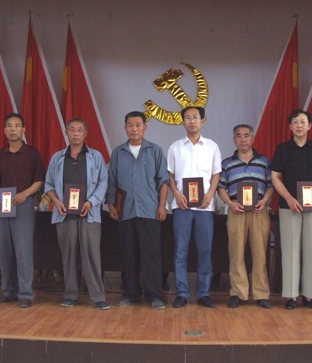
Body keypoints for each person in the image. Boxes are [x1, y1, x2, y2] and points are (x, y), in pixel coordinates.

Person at [45, 118, 110, 310]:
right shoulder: (57, 158)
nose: (75, 133)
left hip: (89, 213)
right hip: (64, 213)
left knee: (92, 255)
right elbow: (48, 184)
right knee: (69, 255)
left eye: (79, 130)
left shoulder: (95, 156)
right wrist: (56, 201)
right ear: (66, 132)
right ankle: (71, 294)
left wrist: (91, 202)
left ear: (85, 133)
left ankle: (97, 297)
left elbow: (103, 182)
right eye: (72, 130)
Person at [107, 111, 169, 310]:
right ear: (125, 128)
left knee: (151, 255)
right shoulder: (118, 153)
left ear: (145, 128)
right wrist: (111, 204)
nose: (134, 129)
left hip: (149, 210)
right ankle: (131, 294)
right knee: (129, 254)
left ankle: (154, 296)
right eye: (130, 125)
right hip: (125, 210)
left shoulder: (155, 151)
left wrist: (162, 205)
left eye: (138, 125)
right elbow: (112, 181)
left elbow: (163, 181)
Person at [271, 109, 312, 310]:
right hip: (289, 206)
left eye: (303, 122)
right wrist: (288, 198)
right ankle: (291, 296)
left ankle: (310, 295)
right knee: (290, 249)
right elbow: (275, 176)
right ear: (290, 126)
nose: (299, 125)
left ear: (309, 126)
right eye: (295, 122)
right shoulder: (282, 149)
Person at [167, 106, 221, 308]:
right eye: (188, 118)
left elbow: (216, 174)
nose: (192, 121)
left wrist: (210, 194)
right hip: (181, 206)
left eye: (195, 117)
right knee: (180, 251)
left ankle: (203, 293)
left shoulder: (212, 147)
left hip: (205, 207)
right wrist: (176, 194)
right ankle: (181, 293)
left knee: (205, 251)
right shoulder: (175, 147)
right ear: (183, 122)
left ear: (202, 121)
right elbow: (170, 174)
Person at [0, 113, 44, 308]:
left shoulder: (32, 154)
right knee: (4, 250)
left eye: (17, 126)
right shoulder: (0, 155)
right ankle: (8, 291)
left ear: (23, 130)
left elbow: (39, 180)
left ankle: (26, 294)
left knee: (23, 250)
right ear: (5, 130)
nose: (13, 129)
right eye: (9, 126)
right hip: (3, 206)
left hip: (23, 204)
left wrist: (25, 194)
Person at [218, 124, 274, 309]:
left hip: (259, 210)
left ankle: (261, 294)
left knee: (260, 254)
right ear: (234, 139)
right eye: (239, 136)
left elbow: (271, 185)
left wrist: (264, 200)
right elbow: (221, 188)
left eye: (246, 135)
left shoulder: (264, 162)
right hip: (236, 210)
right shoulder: (227, 163)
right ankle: (238, 293)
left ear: (252, 138)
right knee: (236, 253)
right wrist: (230, 203)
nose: (243, 139)